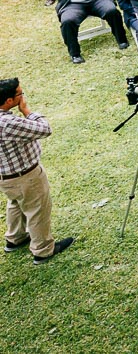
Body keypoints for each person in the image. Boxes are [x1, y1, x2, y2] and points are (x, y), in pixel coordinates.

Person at [0, 78, 73, 264]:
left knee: (16, 203)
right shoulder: (7, 123)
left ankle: (15, 238)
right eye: (20, 94)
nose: (22, 96)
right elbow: (45, 129)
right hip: (26, 176)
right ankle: (43, 250)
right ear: (8, 101)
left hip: (5, 178)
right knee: (37, 210)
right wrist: (26, 111)